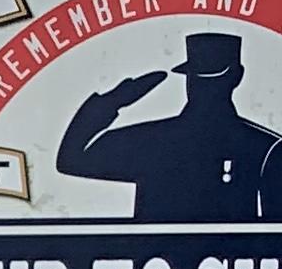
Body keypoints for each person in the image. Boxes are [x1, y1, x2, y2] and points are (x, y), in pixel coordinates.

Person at [55, 30, 282, 219]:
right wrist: (113, 101)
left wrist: (114, 101)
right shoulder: (151, 139)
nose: (202, 86)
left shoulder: (265, 149)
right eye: (197, 77)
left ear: (235, 77)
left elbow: (275, 235)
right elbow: (72, 161)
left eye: (210, 77)